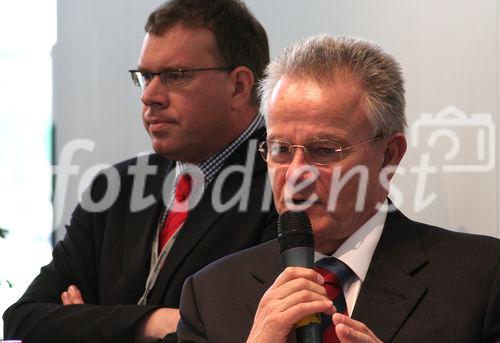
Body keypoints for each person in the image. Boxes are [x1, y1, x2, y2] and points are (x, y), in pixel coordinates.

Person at [177, 35, 500, 342]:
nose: (296, 175)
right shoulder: (212, 295)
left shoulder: (482, 276)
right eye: (281, 150)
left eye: (324, 150)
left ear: (389, 156)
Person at [3, 0, 277, 342]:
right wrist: (155, 322)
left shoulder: (286, 188)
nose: (150, 96)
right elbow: (22, 318)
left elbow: (235, 334)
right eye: (146, 76)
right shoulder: (115, 187)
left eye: (176, 76)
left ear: (238, 86)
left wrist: (88, 323)